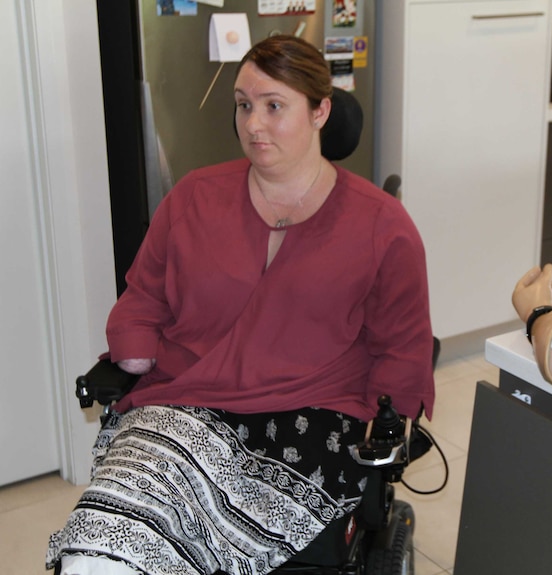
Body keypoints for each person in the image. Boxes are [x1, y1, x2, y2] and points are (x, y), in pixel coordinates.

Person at [46, 35, 434, 575]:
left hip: (312, 418)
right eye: (244, 104)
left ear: (320, 111)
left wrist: (390, 414)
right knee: (100, 548)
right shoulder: (194, 197)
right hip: (189, 403)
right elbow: (144, 295)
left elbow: (402, 345)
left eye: (274, 106)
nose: (253, 124)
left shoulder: (382, 226)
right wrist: (133, 352)